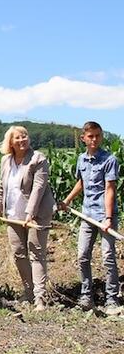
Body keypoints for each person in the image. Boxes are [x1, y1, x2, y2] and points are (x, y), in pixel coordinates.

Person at [0, 126, 55, 311]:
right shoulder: (6, 161)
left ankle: (39, 298)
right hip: (13, 215)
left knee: (36, 253)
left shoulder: (38, 159)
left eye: (24, 136)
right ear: (10, 142)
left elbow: (39, 188)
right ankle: (28, 290)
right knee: (18, 253)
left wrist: (30, 214)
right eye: (17, 137)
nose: (22, 140)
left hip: (37, 214)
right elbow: (2, 187)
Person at [58, 121, 121, 314]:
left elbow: (110, 190)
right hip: (86, 215)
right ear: (83, 138)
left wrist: (108, 218)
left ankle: (112, 299)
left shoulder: (109, 159)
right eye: (91, 136)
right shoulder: (81, 159)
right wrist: (67, 201)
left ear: (101, 137)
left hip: (104, 216)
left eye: (98, 136)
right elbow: (81, 183)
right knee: (82, 255)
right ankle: (87, 296)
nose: (94, 139)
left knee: (108, 257)